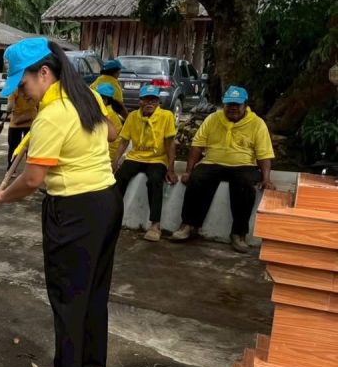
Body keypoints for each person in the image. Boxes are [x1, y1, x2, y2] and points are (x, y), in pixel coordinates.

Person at [0, 37, 121, 367]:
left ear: (44, 73)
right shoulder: (85, 97)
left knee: (68, 297)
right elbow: (112, 134)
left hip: (74, 210)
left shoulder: (52, 115)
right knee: (93, 292)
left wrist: (1, 196)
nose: (22, 93)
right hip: (107, 201)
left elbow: (32, 180)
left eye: (24, 83)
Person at [170, 86, 275, 253]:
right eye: (229, 104)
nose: (232, 108)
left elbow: (264, 154)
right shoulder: (212, 119)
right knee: (197, 179)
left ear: (245, 105)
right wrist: (189, 171)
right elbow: (197, 146)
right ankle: (189, 225)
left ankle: (238, 234)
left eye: (237, 104)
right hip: (212, 162)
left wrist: (266, 179)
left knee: (245, 185)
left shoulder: (257, 123)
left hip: (243, 165)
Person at [112, 85, 178, 242]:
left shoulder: (166, 116)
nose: (150, 103)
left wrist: (171, 168)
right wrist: (115, 161)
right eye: (146, 100)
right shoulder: (132, 116)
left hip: (157, 158)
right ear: (140, 101)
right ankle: (111, 216)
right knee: (120, 178)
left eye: (153, 100)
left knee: (155, 181)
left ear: (158, 102)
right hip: (136, 156)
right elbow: (124, 141)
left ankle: (155, 225)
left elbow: (170, 143)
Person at [7, 90, 38, 169]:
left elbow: (9, 107)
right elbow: (38, 104)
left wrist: (10, 108)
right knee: (30, 148)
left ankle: (11, 168)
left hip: (16, 123)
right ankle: (29, 168)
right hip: (31, 121)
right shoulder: (34, 89)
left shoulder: (14, 90)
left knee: (13, 147)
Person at [95, 83, 126, 163]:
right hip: (110, 149)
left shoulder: (107, 113)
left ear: (104, 100)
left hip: (108, 152)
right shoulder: (110, 109)